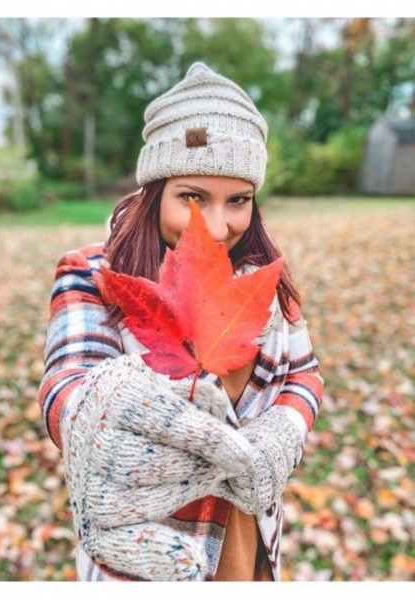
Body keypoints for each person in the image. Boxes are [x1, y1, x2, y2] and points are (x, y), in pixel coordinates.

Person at [38, 62, 323, 582]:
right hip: (149, 554)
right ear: (155, 191)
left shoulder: (262, 281)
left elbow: (305, 375)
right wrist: (93, 413)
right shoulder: (95, 275)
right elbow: (65, 387)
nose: (216, 227)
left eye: (238, 200)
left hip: (248, 541)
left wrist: (287, 427)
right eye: (192, 197)